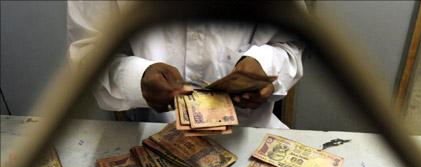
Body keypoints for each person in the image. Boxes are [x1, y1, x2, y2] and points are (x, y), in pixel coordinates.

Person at [67, 1, 304, 128]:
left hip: (251, 135)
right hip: (151, 136)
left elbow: (292, 43)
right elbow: (89, 53)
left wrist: (266, 65)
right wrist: (135, 78)